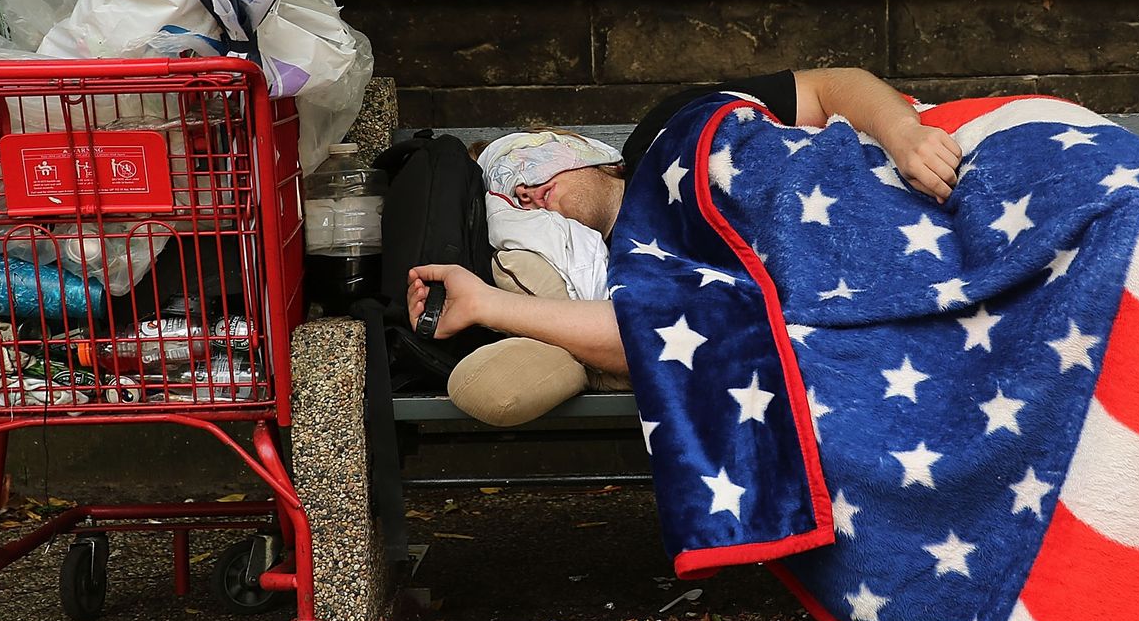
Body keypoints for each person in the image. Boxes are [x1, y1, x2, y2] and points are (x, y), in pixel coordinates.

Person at [408, 67, 961, 389]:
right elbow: (646, 334)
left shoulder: (670, 122)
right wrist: (484, 304)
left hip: (923, 195)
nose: (525, 191)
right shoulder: (630, 264)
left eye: (525, 167)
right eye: (513, 200)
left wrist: (903, 133)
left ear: (583, 150)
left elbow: (831, 85)